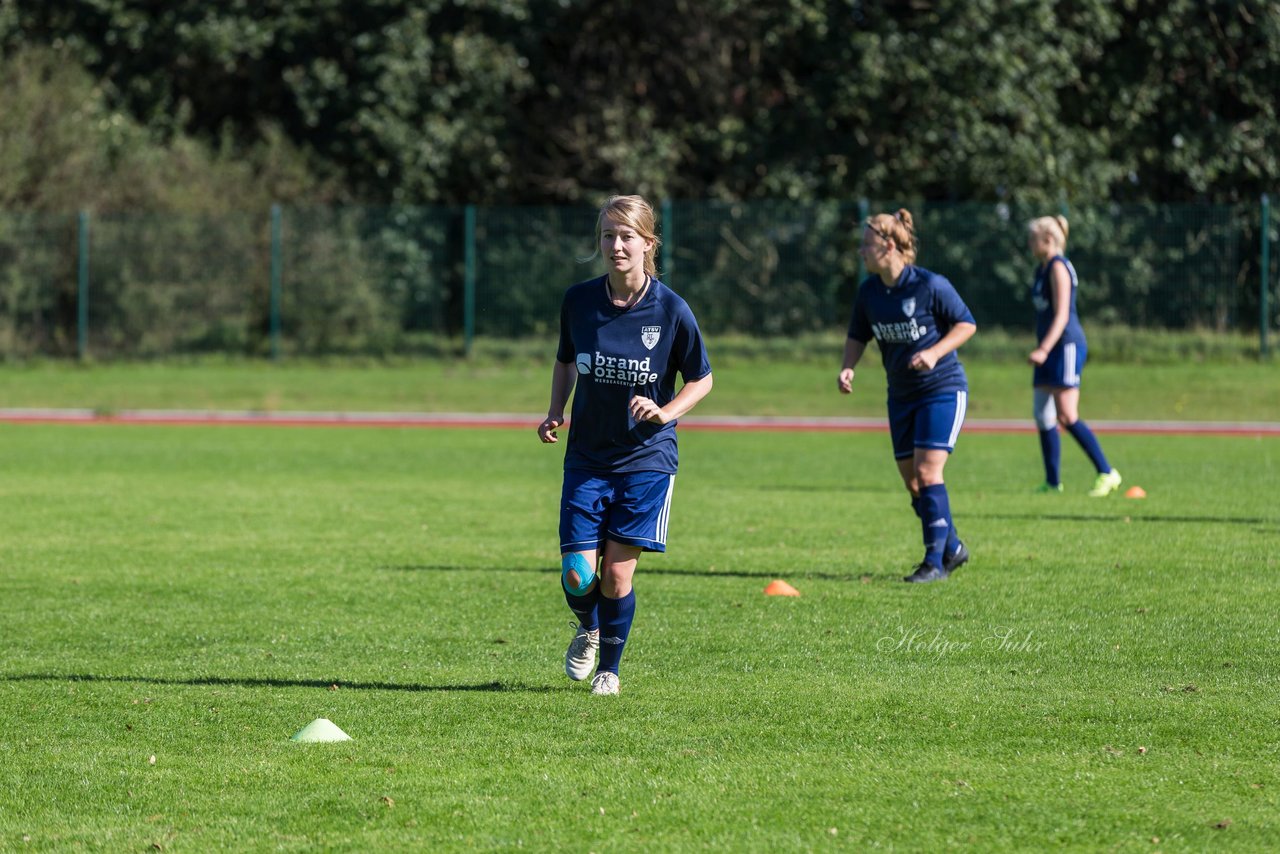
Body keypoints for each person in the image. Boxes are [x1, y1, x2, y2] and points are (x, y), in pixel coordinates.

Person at [537, 194, 713, 695]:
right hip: (588, 456)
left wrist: (665, 412)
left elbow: (701, 380)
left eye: (627, 236)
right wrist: (556, 410)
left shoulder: (672, 310)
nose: (616, 245)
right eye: (608, 236)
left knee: (615, 577)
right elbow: (566, 360)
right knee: (576, 576)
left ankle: (609, 671)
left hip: (646, 459)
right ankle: (589, 627)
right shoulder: (579, 301)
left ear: (648, 244)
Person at [838, 209, 977, 583]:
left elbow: (967, 324)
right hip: (900, 394)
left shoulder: (930, 285)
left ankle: (934, 563)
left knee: (929, 472)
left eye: (866, 245)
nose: (861, 252)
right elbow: (858, 335)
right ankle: (952, 547)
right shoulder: (869, 292)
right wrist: (848, 366)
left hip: (942, 390)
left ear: (888, 245)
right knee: (912, 482)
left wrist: (934, 353)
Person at [1026, 215, 1122, 497]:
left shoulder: (1058, 267)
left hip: (1064, 345)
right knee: (1042, 414)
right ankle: (1053, 483)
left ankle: (1107, 472)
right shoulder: (1040, 269)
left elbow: (1063, 314)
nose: (1030, 244)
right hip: (1048, 347)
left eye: (1033, 239)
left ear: (1048, 240)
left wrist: (1044, 349)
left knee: (1066, 414)